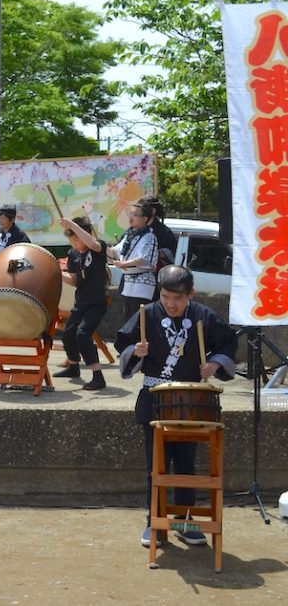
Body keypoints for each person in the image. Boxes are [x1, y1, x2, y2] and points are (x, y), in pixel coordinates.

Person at [114, 265, 236, 548]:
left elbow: (228, 342)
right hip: (155, 398)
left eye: (177, 298)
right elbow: (124, 343)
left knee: (185, 464)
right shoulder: (147, 314)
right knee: (155, 465)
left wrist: (215, 364)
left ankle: (184, 520)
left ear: (190, 294)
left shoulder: (204, 316)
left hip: (192, 401)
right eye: (166, 296)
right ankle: (154, 522)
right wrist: (136, 352)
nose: (170, 303)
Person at [54, 217, 109, 390]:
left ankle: (98, 376)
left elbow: (92, 244)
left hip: (97, 303)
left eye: (76, 238)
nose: (74, 242)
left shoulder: (98, 247)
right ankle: (73, 367)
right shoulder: (74, 255)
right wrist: (57, 272)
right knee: (68, 334)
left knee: (83, 334)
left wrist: (72, 225)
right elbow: (75, 280)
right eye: (71, 239)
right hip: (81, 303)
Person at [108, 202, 159, 321]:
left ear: (145, 218)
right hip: (129, 283)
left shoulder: (149, 236)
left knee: (139, 322)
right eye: (131, 213)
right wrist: (98, 244)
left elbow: (143, 259)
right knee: (128, 320)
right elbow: (114, 252)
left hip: (142, 285)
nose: (131, 217)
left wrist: (123, 264)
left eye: (135, 214)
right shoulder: (129, 235)